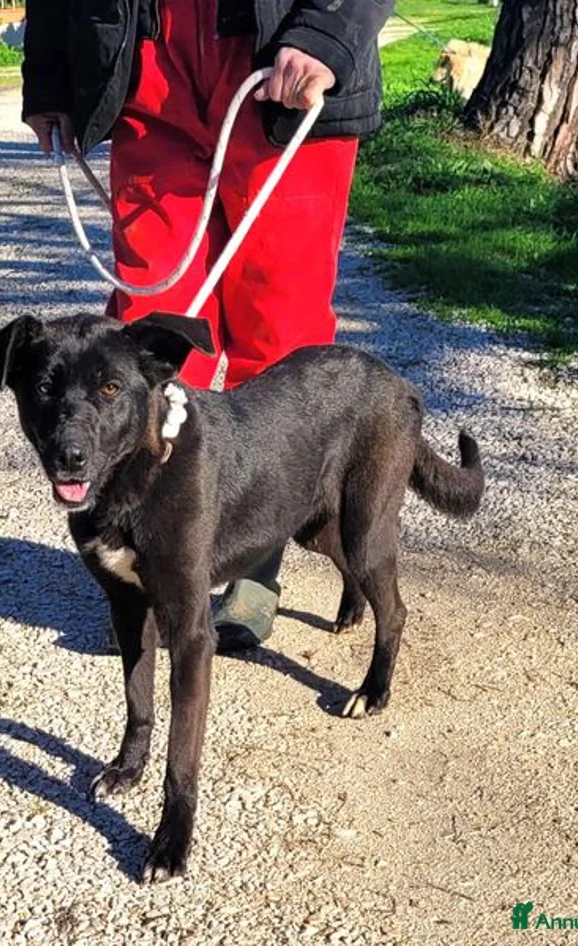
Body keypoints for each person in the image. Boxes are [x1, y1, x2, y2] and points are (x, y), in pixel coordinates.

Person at [22, 0, 393, 650]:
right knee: (146, 336)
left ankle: (258, 558)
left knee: (281, 333)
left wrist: (324, 33)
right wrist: (50, 73)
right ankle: (147, 551)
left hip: (277, 61)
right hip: (151, 65)